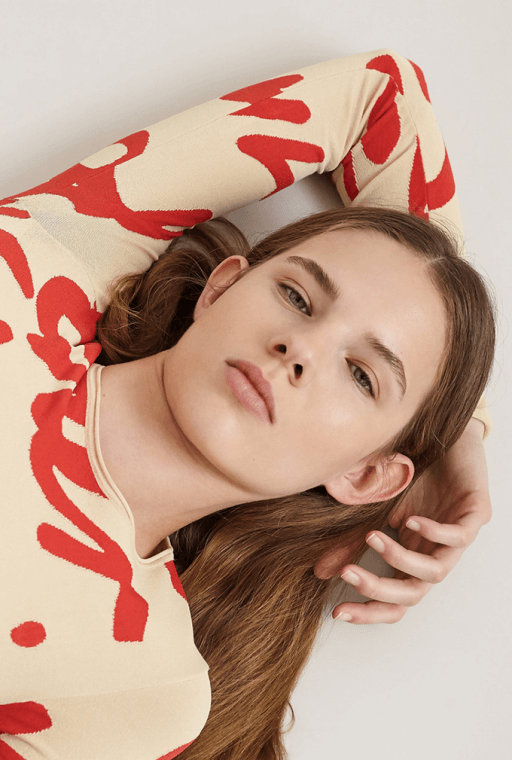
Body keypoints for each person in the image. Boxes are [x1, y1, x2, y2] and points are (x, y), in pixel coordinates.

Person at [0, 49, 495, 760]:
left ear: (365, 475)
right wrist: (463, 437)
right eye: (296, 295)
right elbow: (378, 94)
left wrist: (437, 431)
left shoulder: (145, 689)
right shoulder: (38, 266)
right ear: (224, 286)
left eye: (362, 376)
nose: (301, 349)